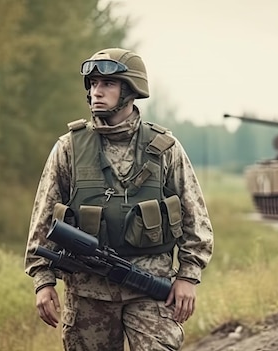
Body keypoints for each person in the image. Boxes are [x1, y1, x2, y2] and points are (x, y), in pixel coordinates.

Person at [24, 47, 214, 351]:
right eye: (94, 84)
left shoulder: (164, 147)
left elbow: (196, 220)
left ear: (130, 90)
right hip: (88, 293)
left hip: (150, 288)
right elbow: (43, 220)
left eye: (108, 84)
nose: (97, 92)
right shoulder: (69, 148)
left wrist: (188, 276)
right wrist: (43, 281)